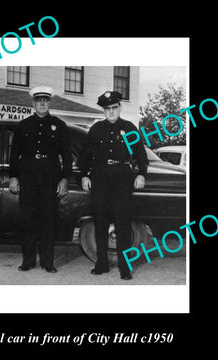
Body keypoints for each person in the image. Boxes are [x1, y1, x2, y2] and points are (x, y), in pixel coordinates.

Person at [78, 90, 148, 280]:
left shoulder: (129, 128)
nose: (111, 112)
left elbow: (141, 155)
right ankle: (102, 263)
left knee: (123, 223)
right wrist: (84, 175)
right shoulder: (96, 129)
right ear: (103, 110)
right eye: (107, 108)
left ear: (120, 107)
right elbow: (84, 156)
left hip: (122, 179)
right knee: (100, 222)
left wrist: (141, 174)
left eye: (114, 108)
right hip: (100, 179)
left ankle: (125, 267)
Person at [9, 86, 72, 273]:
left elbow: (67, 156)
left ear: (49, 102)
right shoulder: (23, 125)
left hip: (50, 179)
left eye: (45, 100)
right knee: (28, 221)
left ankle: (48, 262)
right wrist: (13, 177)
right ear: (33, 103)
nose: (42, 103)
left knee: (48, 221)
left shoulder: (59, 126)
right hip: (27, 178)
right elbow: (14, 154)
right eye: (38, 101)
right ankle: (27, 261)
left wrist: (65, 179)